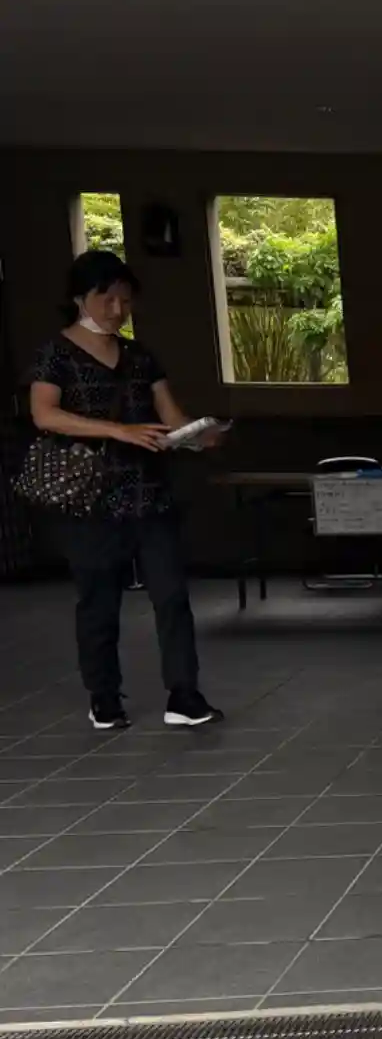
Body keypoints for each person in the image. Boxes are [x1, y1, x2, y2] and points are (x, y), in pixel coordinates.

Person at [27, 250, 223, 730]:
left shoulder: (140, 356)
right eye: (107, 300)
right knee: (99, 602)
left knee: (172, 596)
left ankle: (184, 695)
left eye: (126, 301)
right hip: (89, 499)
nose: (118, 310)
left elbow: (170, 416)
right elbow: (44, 415)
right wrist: (119, 430)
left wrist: (196, 435)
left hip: (149, 493)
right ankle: (104, 696)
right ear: (80, 298)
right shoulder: (55, 354)